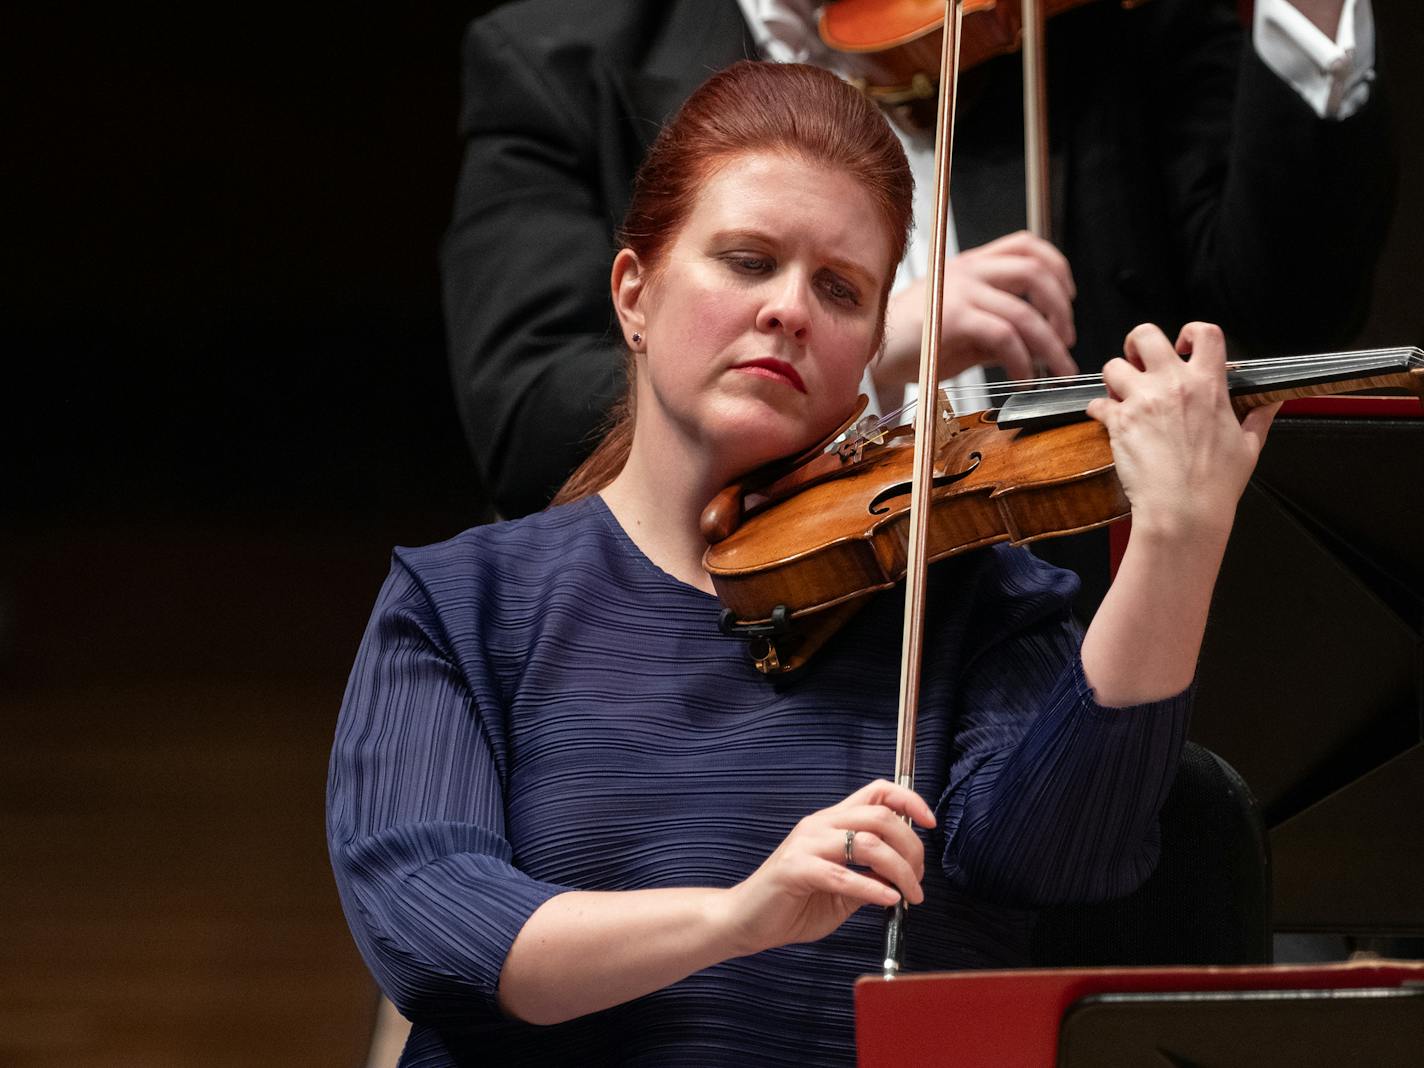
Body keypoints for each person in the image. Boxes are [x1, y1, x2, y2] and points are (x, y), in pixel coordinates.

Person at [331, 61, 1279, 1065]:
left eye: (839, 288)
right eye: (746, 260)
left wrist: (1176, 540)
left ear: (872, 344)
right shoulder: (464, 605)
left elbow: (1062, 849)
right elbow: (437, 928)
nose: (789, 308)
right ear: (633, 293)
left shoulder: (963, 599)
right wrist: (740, 916)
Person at [442, 0, 1388, 529]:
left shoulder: (1103, 42)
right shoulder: (558, 62)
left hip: (1067, 639)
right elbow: (533, 423)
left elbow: (1290, 314)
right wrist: (873, 329)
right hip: (717, 647)